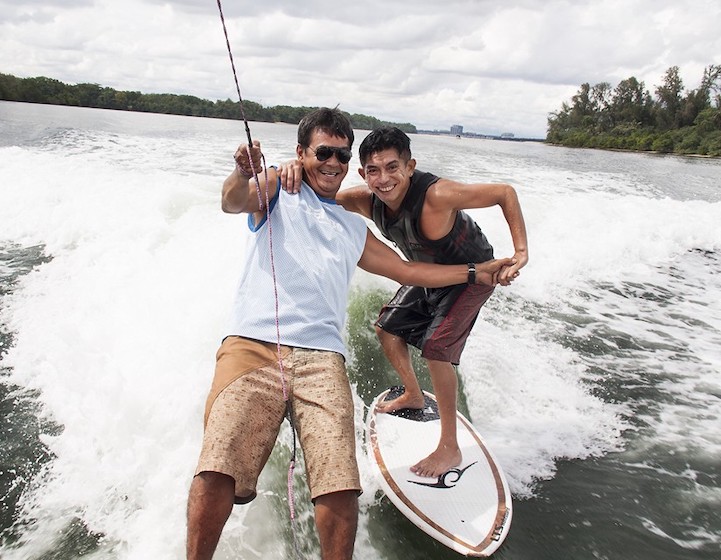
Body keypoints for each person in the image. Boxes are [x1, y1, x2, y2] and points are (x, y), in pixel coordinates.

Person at [186, 109, 516, 560]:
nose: (334, 162)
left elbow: (408, 269)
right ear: (301, 153)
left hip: (323, 359)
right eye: (324, 152)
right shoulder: (278, 191)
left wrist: (476, 272)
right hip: (252, 346)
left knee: (340, 485)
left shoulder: (351, 224)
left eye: (342, 154)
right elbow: (232, 200)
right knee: (218, 467)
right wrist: (243, 171)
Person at [280, 126, 528, 479]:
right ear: (363, 173)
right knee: (386, 329)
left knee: (436, 348)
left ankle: (449, 447)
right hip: (428, 274)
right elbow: (316, 188)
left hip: (475, 274)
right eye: (374, 171)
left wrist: (520, 253)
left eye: (393, 168)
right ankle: (413, 393)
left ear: (410, 166)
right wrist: (290, 167)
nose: (384, 179)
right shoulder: (363, 200)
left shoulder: (438, 195)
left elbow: (505, 193)